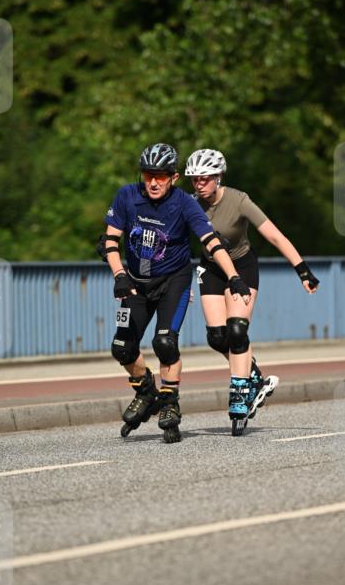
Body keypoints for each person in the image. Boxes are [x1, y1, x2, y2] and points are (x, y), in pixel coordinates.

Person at [99, 142, 251, 443]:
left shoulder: (184, 204)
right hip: (135, 282)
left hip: (173, 281)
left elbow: (211, 241)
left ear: (174, 177)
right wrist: (119, 275)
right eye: (148, 175)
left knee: (165, 342)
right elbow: (109, 241)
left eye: (161, 176)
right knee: (122, 348)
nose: (154, 182)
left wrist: (233, 276)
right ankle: (146, 392)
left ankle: (170, 403)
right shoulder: (127, 196)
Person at [184, 148, 320, 434]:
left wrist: (302, 270)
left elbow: (274, 235)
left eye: (205, 178)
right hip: (211, 269)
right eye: (195, 179)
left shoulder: (239, 200)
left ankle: (240, 389)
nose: (199, 184)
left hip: (242, 266)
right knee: (217, 337)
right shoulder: (191, 204)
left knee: (236, 331)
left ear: (219, 177)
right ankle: (254, 375)